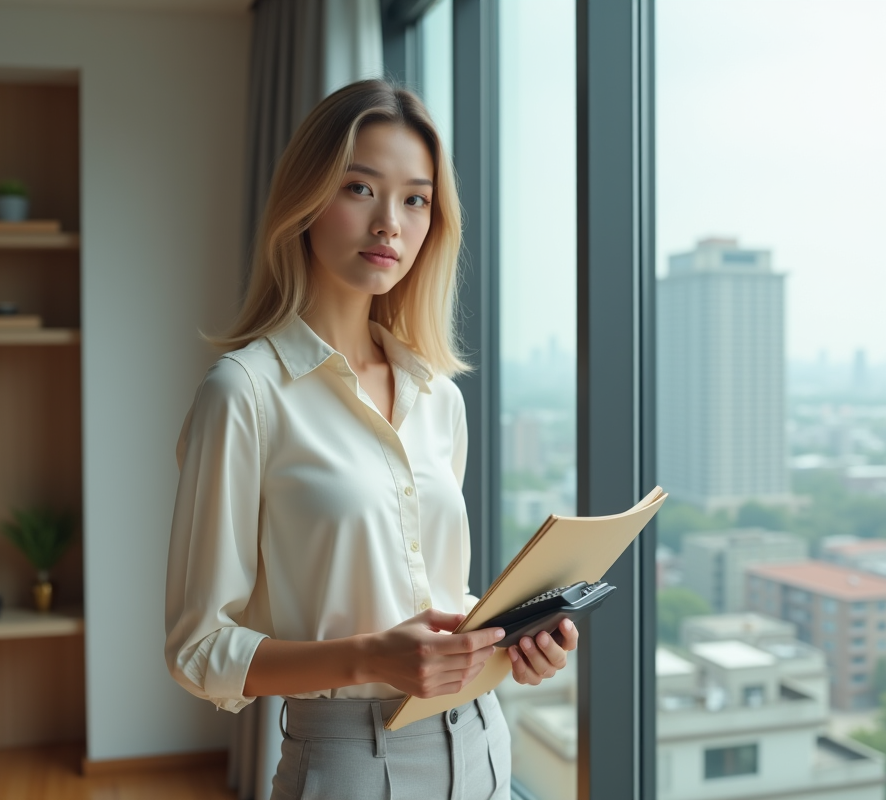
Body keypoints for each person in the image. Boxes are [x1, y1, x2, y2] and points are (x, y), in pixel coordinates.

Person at [164, 78, 578, 800]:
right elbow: (199, 652)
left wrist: (510, 644)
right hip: (351, 762)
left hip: (484, 740)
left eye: (416, 199)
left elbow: (430, 590)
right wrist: (370, 658)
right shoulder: (245, 393)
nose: (391, 222)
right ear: (307, 198)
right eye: (360, 189)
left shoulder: (437, 398)